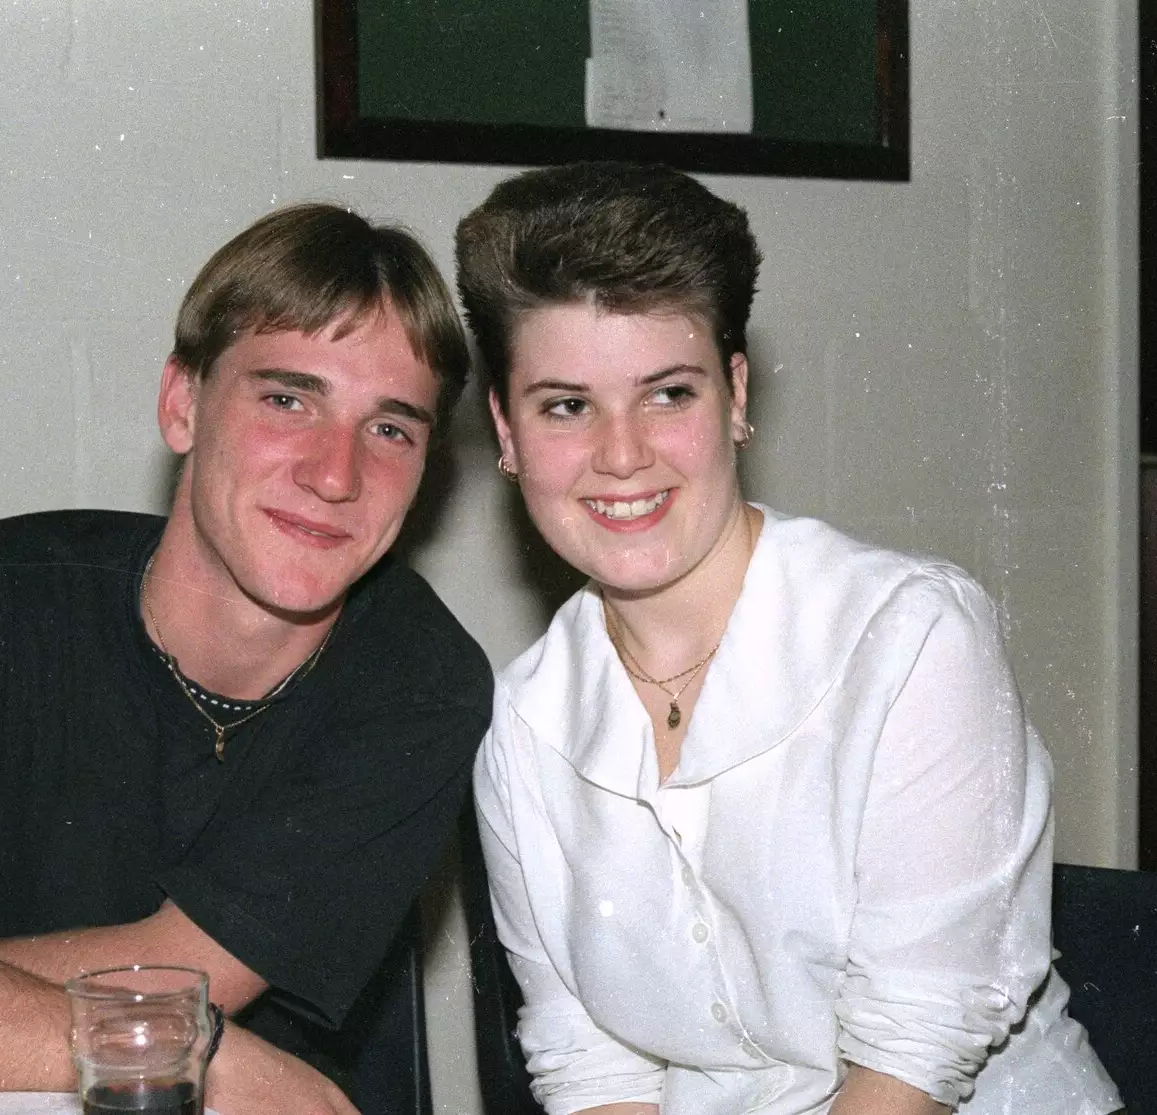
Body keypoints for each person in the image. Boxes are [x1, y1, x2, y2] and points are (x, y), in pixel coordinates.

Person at [0, 203, 494, 1115]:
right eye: (287, 399)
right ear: (181, 404)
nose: (335, 473)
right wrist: (217, 1055)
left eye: (390, 429)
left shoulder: (421, 678)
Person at [456, 162, 1122, 1115]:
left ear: (733, 396)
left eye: (668, 394)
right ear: (506, 432)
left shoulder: (908, 639)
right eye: (566, 405)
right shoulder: (524, 726)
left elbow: (914, 1055)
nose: (621, 452)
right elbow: (590, 1063)